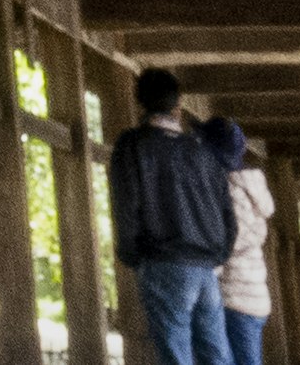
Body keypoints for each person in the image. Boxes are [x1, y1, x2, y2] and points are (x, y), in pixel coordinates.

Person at [106, 64, 242, 365]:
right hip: (206, 266)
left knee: (176, 354)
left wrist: (132, 255)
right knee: (217, 353)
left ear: (139, 102)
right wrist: (218, 254)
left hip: (164, 262)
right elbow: (227, 213)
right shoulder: (202, 152)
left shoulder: (132, 146)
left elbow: (125, 206)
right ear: (178, 107)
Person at [219, 130, 276, 365]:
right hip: (252, 294)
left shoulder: (232, 192)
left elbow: (231, 242)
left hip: (236, 294)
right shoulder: (252, 190)